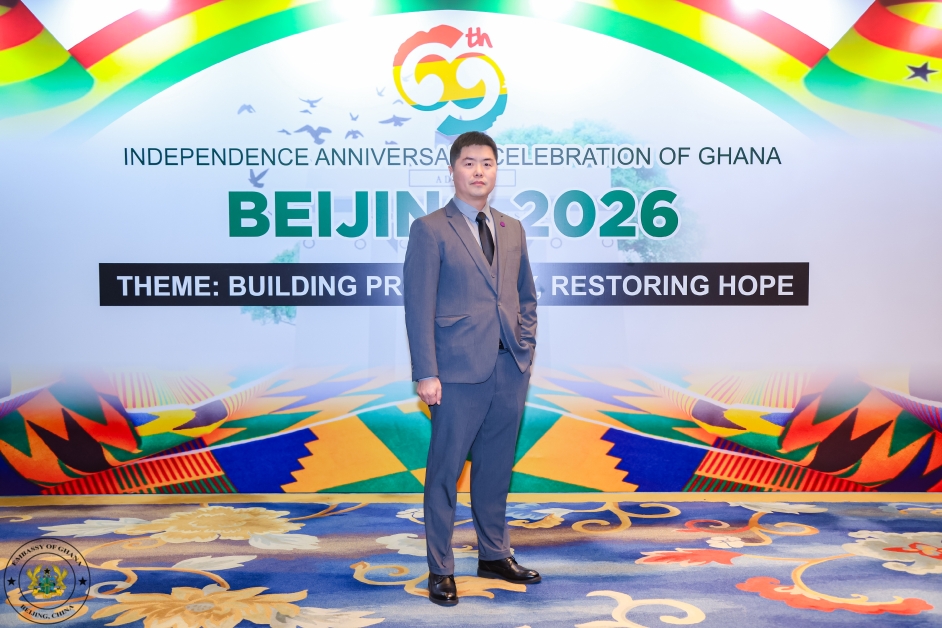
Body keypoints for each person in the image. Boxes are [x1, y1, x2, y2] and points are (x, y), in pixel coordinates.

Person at [403, 131, 540, 607]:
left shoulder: (511, 228)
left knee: (495, 470)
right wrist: (426, 371)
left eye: (487, 163)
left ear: (496, 170)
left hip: (509, 368)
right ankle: (440, 569)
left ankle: (494, 555)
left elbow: (525, 297)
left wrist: (525, 348)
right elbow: (418, 305)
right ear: (452, 170)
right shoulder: (430, 229)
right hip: (455, 373)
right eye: (469, 163)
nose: (479, 171)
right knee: (445, 473)